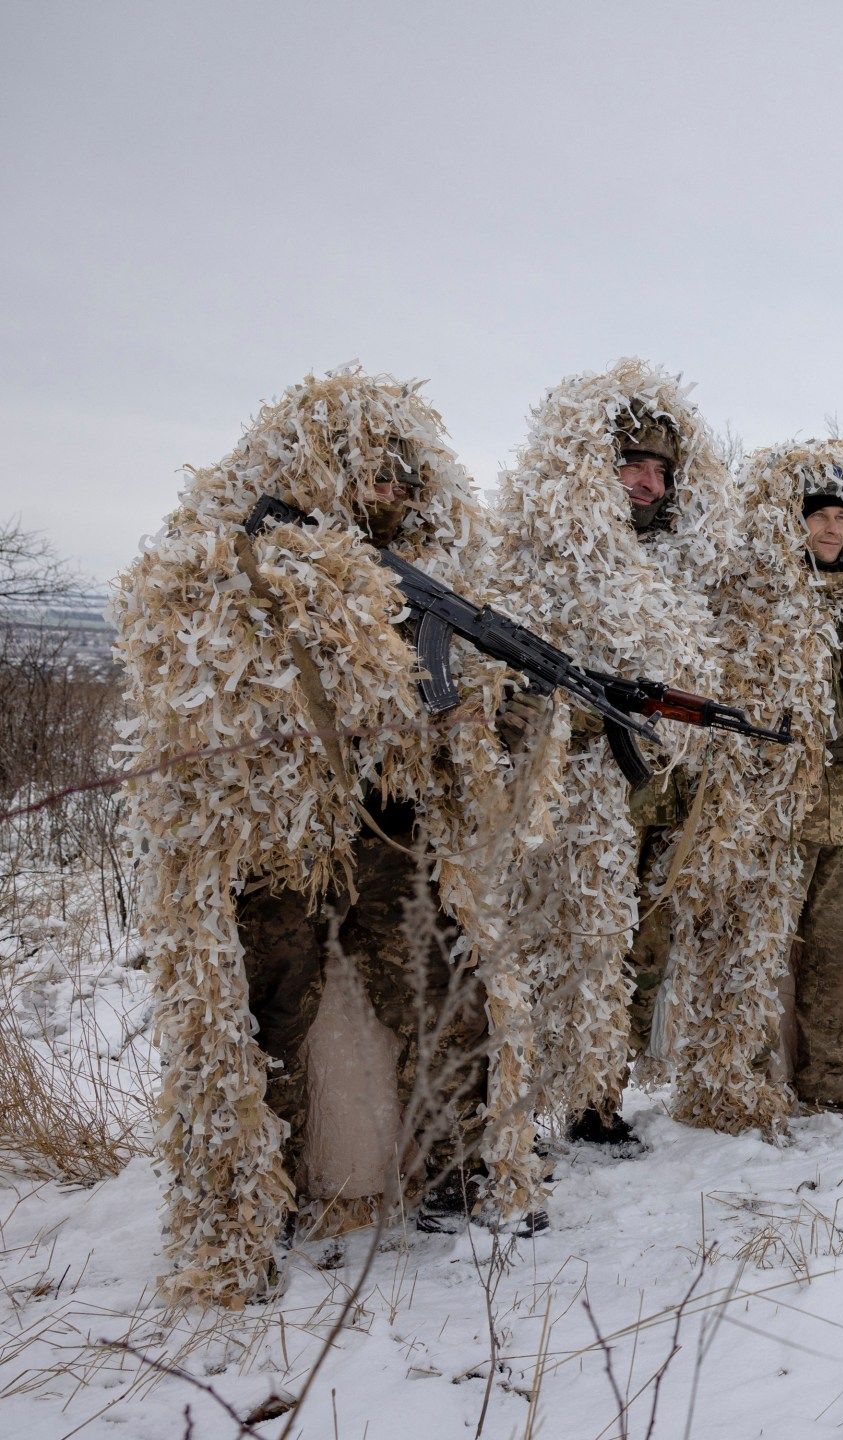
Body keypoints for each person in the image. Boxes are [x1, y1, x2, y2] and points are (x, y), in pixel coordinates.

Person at [113, 368, 544, 1304]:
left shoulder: (437, 578)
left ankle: (458, 1175)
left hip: (390, 832)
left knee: (444, 993)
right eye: (369, 477)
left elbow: (467, 715)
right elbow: (196, 688)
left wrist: (490, 717)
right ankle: (252, 1207)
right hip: (279, 842)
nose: (387, 496)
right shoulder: (241, 560)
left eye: (401, 482)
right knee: (268, 1013)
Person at [665, 441, 843, 1132]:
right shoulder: (757, 605)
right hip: (776, 808)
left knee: (839, 951)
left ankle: (833, 1084)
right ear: (791, 523)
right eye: (817, 516)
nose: (829, 528)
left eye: (840, 518)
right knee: (757, 949)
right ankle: (747, 1083)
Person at [491, 358, 731, 1143]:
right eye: (631, 463)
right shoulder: (538, 556)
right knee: (538, 946)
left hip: (649, 795)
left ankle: (597, 1100)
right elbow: (502, 678)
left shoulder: (679, 569)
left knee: (618, 953)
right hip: (557, 792)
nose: (647, 482)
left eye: (661, 470)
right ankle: (515, 1111)